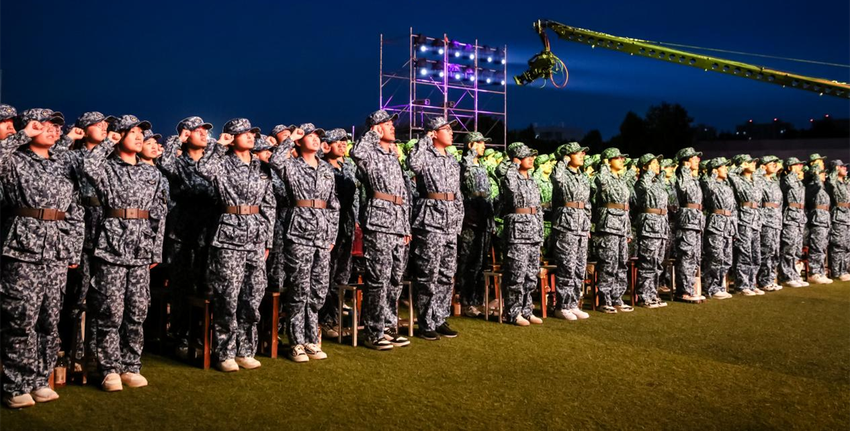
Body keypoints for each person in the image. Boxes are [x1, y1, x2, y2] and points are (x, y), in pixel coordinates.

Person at [0, 109, 84, 408]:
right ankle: (15, 384)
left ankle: (39, 379)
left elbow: (75, 211)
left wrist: (73, 248)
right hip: (23, 248)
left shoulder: (64, 164)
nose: (52, 129)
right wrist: (22, 135)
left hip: (57, 250)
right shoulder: (13, 159)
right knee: (20, 318)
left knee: (49, 319)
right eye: (44, 125)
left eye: (56, 126)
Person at [85, 115, 169, 391]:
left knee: (137, 309)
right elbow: (87, 167)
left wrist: (156, 250)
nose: (138, 136)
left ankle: (131, 365)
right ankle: (109, 369)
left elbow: (158, 214)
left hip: (141, 248)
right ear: (119, 136)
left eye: (140, 132)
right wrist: (106, 144)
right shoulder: (106, 167)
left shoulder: (152, 173)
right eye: (131, 132)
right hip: (111, 245)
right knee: (110, 310)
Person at [197, 118, 275, 372]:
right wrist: (219, 146)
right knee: (228, 297)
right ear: (232, 137)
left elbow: (269, 204)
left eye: (252, 132)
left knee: (253, 297)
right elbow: (203, 170)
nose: (251, 136)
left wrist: (267, 239)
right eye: (244, 133)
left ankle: (245, 350)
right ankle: (225, 352)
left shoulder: (260, 166)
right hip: (229, 235)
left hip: (255, 236)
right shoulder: (221, 162)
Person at [269, 124, 339, 362]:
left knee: (318, 290)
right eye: (310, 136)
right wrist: (291, 138)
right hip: (298, 233)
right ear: (300, 141)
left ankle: (311, 339)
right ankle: (297, 341)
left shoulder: (327, 169)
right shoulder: (292, 165)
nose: (315, 139)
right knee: (299, 288)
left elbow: (334, 205)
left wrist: (331, 235)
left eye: (318, 136)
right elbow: (276, 161)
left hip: (322, 235)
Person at [349, 110, 411, 350]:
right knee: (379, 279)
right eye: (386, 124)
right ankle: (374, 332)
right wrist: (371, 136)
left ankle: (388, 326)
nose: (392, 127)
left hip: (397, 224)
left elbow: (403, 194)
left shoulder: (392, 154)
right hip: (380, 223)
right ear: (376, 128)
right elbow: (356, 153)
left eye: (392, 123)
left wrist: (405, 225)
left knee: (395, 279)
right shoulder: (370, 152)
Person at [158, 116, 217, 358]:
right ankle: (180, 335)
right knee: (182, 288)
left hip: (208, 233)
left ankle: (201, 334)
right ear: (186, 134)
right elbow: (163, 161)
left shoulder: (212, 163)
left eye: (205, 131)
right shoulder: (178, 163)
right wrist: (176, 140)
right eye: (197, 130)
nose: (204, 134)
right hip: (182, 234)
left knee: (206, 285)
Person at [407, 117, 464, 340]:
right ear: (433, 133)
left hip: (450, 223)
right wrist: (424, 141)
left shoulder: (451, 160)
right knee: (428, 273)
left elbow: (457, 193)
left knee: (446, 274)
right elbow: (413, 165)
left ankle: (440, 317)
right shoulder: (424, 154)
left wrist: (458, 220)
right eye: (446, 129)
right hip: (430, 221)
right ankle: (426, 321)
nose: (451, 133)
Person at [318, 129, 361, 339]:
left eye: (345, 141)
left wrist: (357, 221)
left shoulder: (347, 167)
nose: (343, 144)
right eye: (338, 141)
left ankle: (335, 319)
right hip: (328, 226)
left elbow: (356, 197)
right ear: (327, 145)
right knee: (326, 275)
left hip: (346, 225)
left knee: (342, 276)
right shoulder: (321, 167)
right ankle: (325, 321)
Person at [500, 143, 544, 326]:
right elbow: (509, 187)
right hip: (518, 232)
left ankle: (527, 310)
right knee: (516, 275)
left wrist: (540, 231)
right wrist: (514, 164)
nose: (531, 158)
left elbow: (538, 208)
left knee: (531, 275)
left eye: (532, 155)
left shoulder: (531, 180)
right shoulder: (511, 176)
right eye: (527, 156)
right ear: (517, 159)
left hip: (533, 231)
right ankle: (512, 312)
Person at [549, 142, 592, 320]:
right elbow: (557, 180)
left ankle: (573, 303)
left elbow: (587, 204)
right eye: (577, 153)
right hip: (566, 225)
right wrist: (562, 161)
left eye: (582, 153)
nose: (582, 155)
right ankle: (562, 305)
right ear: (568, 156)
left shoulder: (582, 177)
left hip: (581, 226)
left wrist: (588, 224)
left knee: (579, 267)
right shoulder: (562, 173)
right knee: (567, 265)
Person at [456, 132, 496, 319]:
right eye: (480, 143)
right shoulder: (464, 163)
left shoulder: (481, 166)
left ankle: (477, 300)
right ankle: (466, 301)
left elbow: (486, 195)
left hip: (483, 220)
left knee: (480, 263)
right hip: (469, 221)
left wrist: (491, 220)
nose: (484, 146)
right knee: (468, 262)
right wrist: (470, 153)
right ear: (471, 145)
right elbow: (463, 178)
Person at [593, 147, 637, 313]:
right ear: (608, 161)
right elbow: (601, 182)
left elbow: (626, 207)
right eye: (617, 158)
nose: (621, 160)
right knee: (608, 263)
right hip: (609, 225)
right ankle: (605, 299)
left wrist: (628, 231)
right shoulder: (604, 176)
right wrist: (603, 165)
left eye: (622, 158)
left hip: (622, 226)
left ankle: (617, 298)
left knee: (621, 264)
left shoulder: (620, 179)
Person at [633, 153, 669, 308]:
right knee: (648, 262)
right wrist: (648, 172)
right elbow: (643, 189)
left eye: (657, 163)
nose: (657, 165)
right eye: (653, 163)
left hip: (661, 226)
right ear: (644, 167)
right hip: (649, 227)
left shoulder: (656, 183)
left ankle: (653, 294)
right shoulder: (642, 182)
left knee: (658, 264)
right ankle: (644, 296)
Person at [727, 154, 765, 295]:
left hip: (756, 219)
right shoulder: (738, 179)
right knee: (744, 253)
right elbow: (730, 174)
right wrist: (739, 166)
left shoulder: (756, 180)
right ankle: (742, 285)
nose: (753, 164)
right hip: (744, 219)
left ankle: (751, 282)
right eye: (749, 162)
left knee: (755, 254)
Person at [673, 147, 706, 302]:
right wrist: (685, 170)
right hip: (687, 222)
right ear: (686, 161)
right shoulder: (682, 176)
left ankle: (690, 288)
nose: (698, 160)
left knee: (694, 257)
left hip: (695, 221)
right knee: (686, 256)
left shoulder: (693, 178)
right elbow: (683, 191)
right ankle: (684, 291)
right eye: (694, 158)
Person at [700, 157, 735, 299]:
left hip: (728, 223)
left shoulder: (727, 186)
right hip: (716, 223)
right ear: (715, 170)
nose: (726, 169)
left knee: (726, 258)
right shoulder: (709, 182)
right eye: (723, 167)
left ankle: (720, 285)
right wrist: (712, 174)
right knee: (715, 256)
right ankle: (711, 287)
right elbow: (708, 187)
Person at [778, 158, 809, 288]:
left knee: (796, 248)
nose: (800, 166)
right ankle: (786, 276)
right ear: (790, 167)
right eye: (798, 164)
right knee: (789, 248)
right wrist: (791, 172)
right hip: (790, 216)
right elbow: (786, 188)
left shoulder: (798, 181)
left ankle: (794, 274)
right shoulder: (787, 179)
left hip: (799, 217)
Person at [756, 155, 784, 291]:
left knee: (774, 251)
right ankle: (764, 280)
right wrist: (760, 171)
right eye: (771, 163)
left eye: (775, 163)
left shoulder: (774, 181)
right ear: (763, 166)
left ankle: (770, 278)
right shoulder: (759, 180)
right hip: (766, 219)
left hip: (776, 219)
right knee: (766, 251)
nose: (774, 165)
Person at [805, 163, 833, 284]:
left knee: (821, 247)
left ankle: (820, 272)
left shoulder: (823, 187)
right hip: (817, 219)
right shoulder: (812, 185)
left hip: (824, 219)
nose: (824, 175)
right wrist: (815, 176)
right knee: (817, 247)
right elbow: (812, 193)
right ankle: (814, 272)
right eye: (822, 173)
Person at [826, 159, 850, 281]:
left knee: (847, 245)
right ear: (836, 168)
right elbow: (830, 182)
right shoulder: (833, 182)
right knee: (838, 245)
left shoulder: (845, 183)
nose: (845, 168)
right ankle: (837, 271)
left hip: (847, 217)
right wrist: (834, 171)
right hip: (838, 216)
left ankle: (844, 269)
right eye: (842, 167)